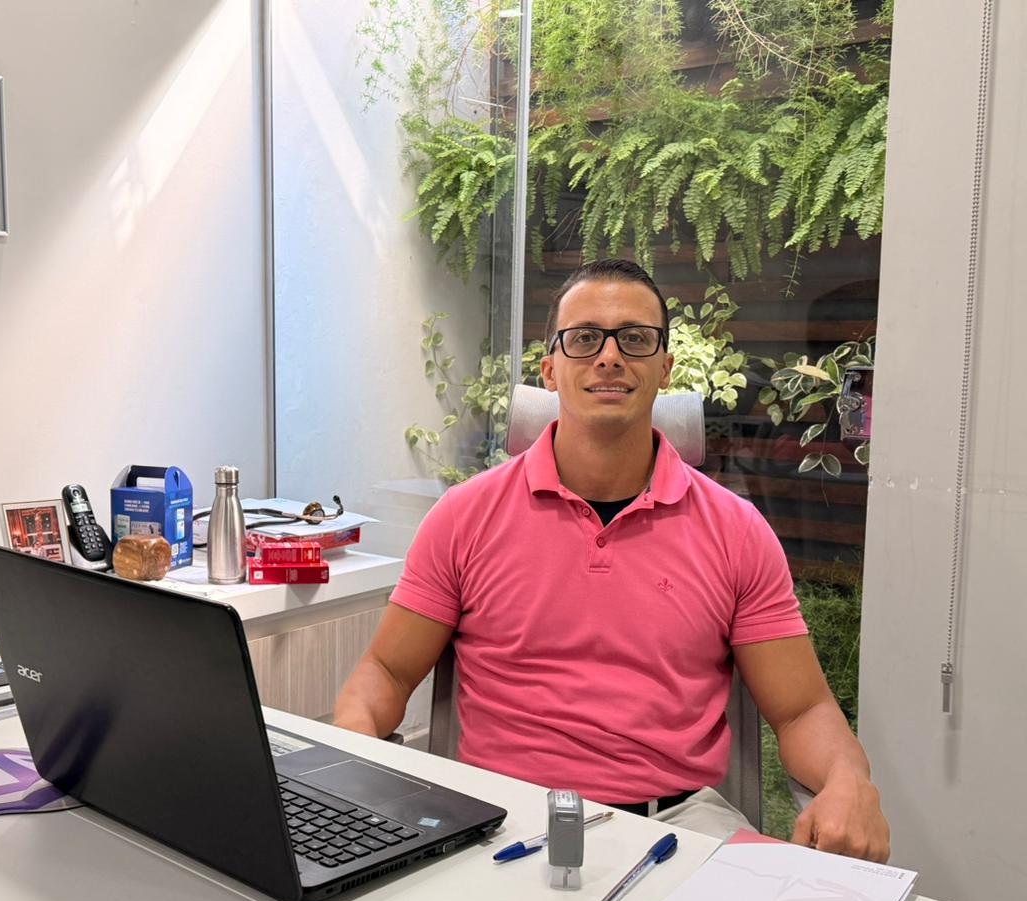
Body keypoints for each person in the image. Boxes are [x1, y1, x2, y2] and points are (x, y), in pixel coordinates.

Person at [333, 259, 891, 862]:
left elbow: (803, 709)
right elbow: (386, 673)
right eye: (583, 338)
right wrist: (348, 759)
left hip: (679, 826)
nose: (608, 357)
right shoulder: (465, 516)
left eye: (635, 338)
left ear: (664, 367)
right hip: (498, 818)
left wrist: (847, 781)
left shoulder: (737, 532)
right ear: (550, 368)